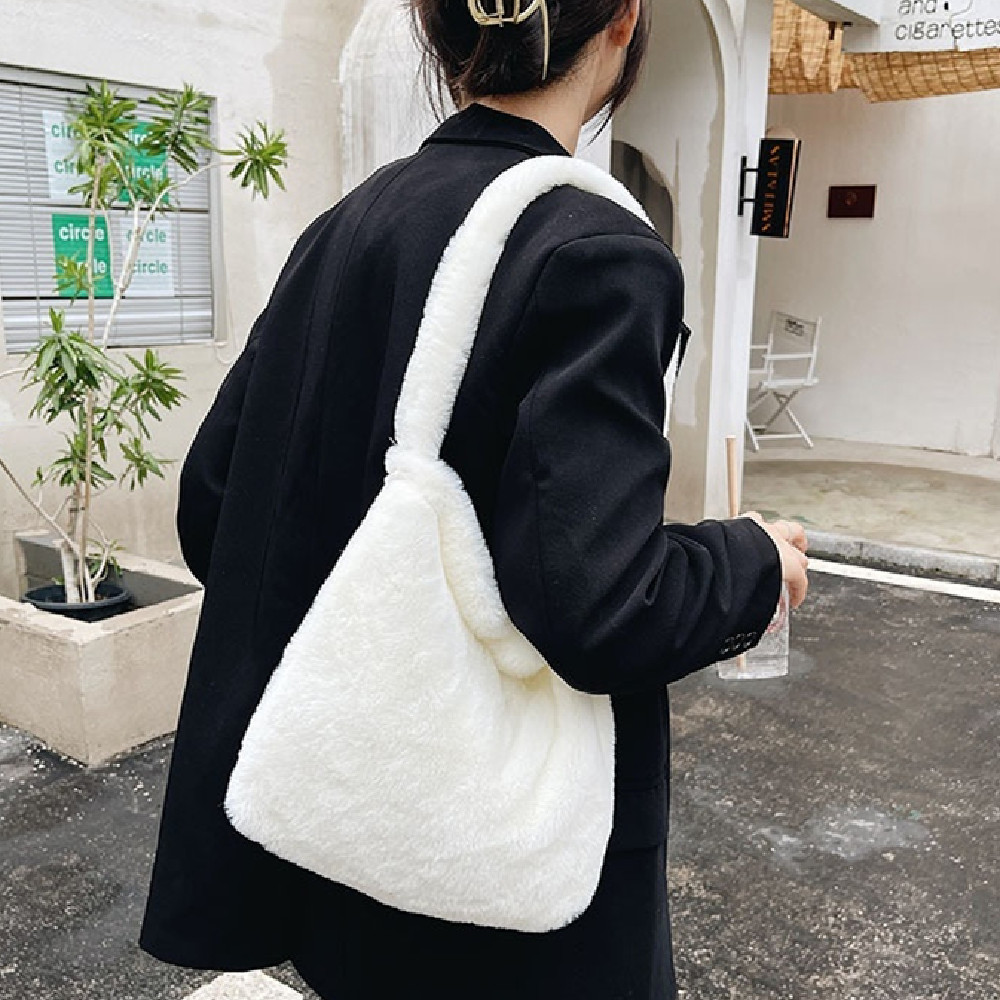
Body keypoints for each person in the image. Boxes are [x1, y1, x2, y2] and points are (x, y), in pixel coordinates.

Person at [139, 0, 810, 996]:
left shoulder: (344, 228)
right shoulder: (597, 250)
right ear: (623, 21)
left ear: (438, 27)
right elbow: (603, 606)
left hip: (345, 825)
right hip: (500, 883)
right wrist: (751, 561)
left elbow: (214, 507)